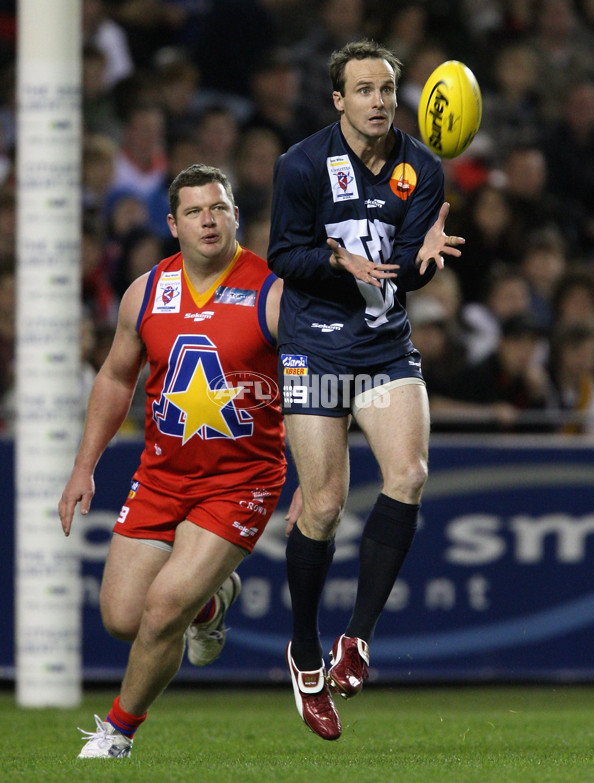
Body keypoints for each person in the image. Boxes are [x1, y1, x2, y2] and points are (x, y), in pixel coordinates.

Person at [267, 39, 464, 741]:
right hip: (315, 343)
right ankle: (305, 649)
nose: (379, 101)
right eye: (365, 90)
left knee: (408, 473)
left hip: (383, 345)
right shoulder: (300, 164)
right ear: (338, 100)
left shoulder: (424, 168)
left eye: (387, 88)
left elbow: (406, 273)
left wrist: (426, 263)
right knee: (321, 504)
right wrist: (334, 257)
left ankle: (358, 636)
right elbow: (281, 255)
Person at [59, 163, 286, 758]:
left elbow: (316, 382)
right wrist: (84, 466)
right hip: (162, 477)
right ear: (173, 223)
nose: (208, 221)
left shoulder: (273, 288)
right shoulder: (146, 290)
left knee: (163, 611)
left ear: (235, 213)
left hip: (241, 481)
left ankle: (115, 734)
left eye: (218, 207)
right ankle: (211, 603)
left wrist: (322, 473)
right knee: (121, 617)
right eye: (194, 211)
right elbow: (114, 378)